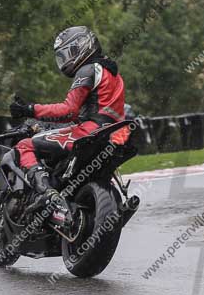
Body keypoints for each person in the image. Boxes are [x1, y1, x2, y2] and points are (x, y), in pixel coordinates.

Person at [10, 26, 126, 226]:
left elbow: (68, 110)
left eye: (68, 53)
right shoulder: (112, 72)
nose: (65, 60)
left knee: (24, 146)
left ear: (83, 46)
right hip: (115, 134)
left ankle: (47, 193)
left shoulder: (88, 69)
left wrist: (30, 109)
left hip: (89, 132)